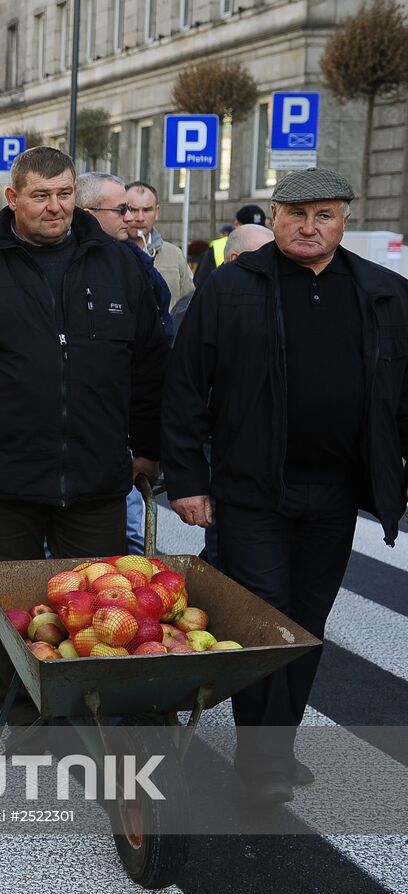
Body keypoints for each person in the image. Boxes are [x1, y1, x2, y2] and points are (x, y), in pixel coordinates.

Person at [0, 146, 167, 727]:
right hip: (4, 469)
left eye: (65, 193)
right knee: (16, 608)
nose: (55, 206)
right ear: (11, 198)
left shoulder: (119, 267)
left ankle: (90, 707)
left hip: (95, 473)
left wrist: (148, 447)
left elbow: (149, 367)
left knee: (98, 604)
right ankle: (23, 713)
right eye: (41, 195)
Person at [164, 167, 408, 805]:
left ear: (344, 220)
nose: (309, 226)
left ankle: (276, 745)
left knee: (307, 621)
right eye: (296, 214)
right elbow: (186, 386)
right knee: (264, 618)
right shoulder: (231, 287)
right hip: (252, 490)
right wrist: (187, 479)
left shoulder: (383, 292)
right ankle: (262, 758)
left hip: (334, 491)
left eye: (323, 214)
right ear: (273, 218)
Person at [77, 171, 172, 556]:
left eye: (136, 209)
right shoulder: (83, 266)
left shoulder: (133, 263)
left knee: (123, 544)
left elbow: (150, 359)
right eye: (121, 210)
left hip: (120, 433)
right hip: (82, 434)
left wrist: (147, 445)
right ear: (86, 212)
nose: (130, 218)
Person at [124, 181, 195, 316]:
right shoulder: (111, 251)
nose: (140, 218)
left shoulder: (174, 255)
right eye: (132, 209)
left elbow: (189, 302)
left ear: (157, 212)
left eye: (147, 210)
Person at [194, 203, 265, 287]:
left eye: (259, 229)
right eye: (249, 229)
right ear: (236, 225)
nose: (254, 233)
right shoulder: (270, 248)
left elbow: (200, 287)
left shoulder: (216, 248)